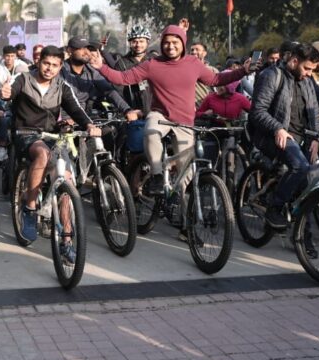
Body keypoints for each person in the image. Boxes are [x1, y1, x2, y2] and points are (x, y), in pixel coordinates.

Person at [91, 24, 248, 220]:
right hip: (160, 116)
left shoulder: (193, 63)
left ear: (183, 43)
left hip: (185, 121)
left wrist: (243, 71)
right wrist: (102, 67)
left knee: (186, 170)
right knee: (150, 131)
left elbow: (216, 79)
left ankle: (182, 216)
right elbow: (124, 78)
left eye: (175, 42)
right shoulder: (152, 64)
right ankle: (157, 175)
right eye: (166, 42)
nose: (170, 46)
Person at [2, 46, 100, 259]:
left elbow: (76, 109)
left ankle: (66, 240)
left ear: (60, 67)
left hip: (52, 136)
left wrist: (89, 125)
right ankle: (29, 209)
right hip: (26, 134)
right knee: (42, 154)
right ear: (39, 62)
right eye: (46, 63)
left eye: (55, 65)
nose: (49, 68)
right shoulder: (23, 79)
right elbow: (10, 93)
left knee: (65, 181)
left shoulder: (62, 86)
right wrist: (6, 94)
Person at [247, 44, 319, 228]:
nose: (309, 74)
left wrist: (315, 137)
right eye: (307, 68)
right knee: (300, 166)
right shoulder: (271, 75)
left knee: (311, 180)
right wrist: (278, 128)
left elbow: (314, 111)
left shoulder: (307, 81)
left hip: (303, 137)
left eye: (312, 70)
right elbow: (257, 111)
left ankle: (303, 233)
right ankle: (275, 207)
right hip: (272, 135)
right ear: (294, 61)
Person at [62, 37, 134, 118]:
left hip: (85, 118)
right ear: (69, 50)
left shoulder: (91, 70)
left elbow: (109, 91)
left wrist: (127, 110)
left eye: (87, 48)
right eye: (81, 48)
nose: (86, 52)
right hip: (63, 118)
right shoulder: (60, 70)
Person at [101, 25, 153, 113]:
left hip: (155, 112)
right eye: (134, 41)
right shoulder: (122, 63)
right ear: (130, 43)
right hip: (132, 112)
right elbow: (118, 91)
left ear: (147, 42)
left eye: (141, 41)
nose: (138, 45)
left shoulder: (154, 60)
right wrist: (127, 110)